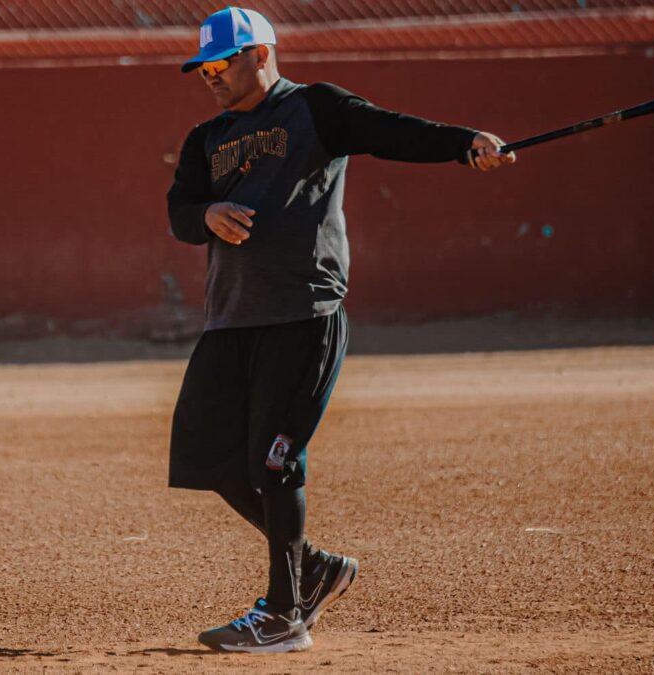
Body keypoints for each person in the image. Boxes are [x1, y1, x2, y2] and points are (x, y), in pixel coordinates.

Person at [166, 6, 516, 653]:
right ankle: (315, 569)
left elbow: (390, 132)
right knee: (205, 455)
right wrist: (208, 213)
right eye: (203, 67)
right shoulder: (205, 137)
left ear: (261, 55)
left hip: (304, 313)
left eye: (222, 63)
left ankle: (284, 613)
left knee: (274, 462)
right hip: (231, 319)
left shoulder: (314, 109)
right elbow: (180, 212)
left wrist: (464, 142)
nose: (210, 76)